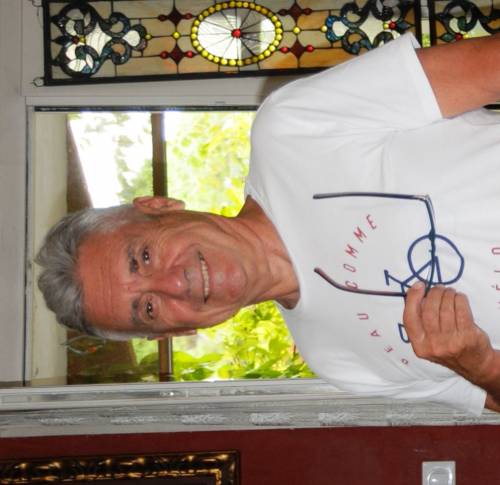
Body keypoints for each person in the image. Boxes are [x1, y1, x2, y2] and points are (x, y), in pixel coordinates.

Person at [36, 32, 500, 416]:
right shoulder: (338, 361)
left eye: (143, 257)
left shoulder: (291, 128)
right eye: (149, 309)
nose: (174, 283)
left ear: (159, 205)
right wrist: (480, 366)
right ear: (174, 334)